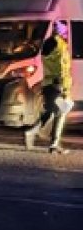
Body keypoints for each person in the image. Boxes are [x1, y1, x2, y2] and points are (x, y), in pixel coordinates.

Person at [25, 21, 72, 154]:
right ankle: (54, 143)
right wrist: (65, 90)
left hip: (48, 84)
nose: (66, 33)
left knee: (51, 111)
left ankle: (33, 133)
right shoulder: (60, 46)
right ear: (62, 31)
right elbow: (62, 68)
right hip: (58, 85)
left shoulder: (47, 43)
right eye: (65, 30)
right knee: (62, 111)